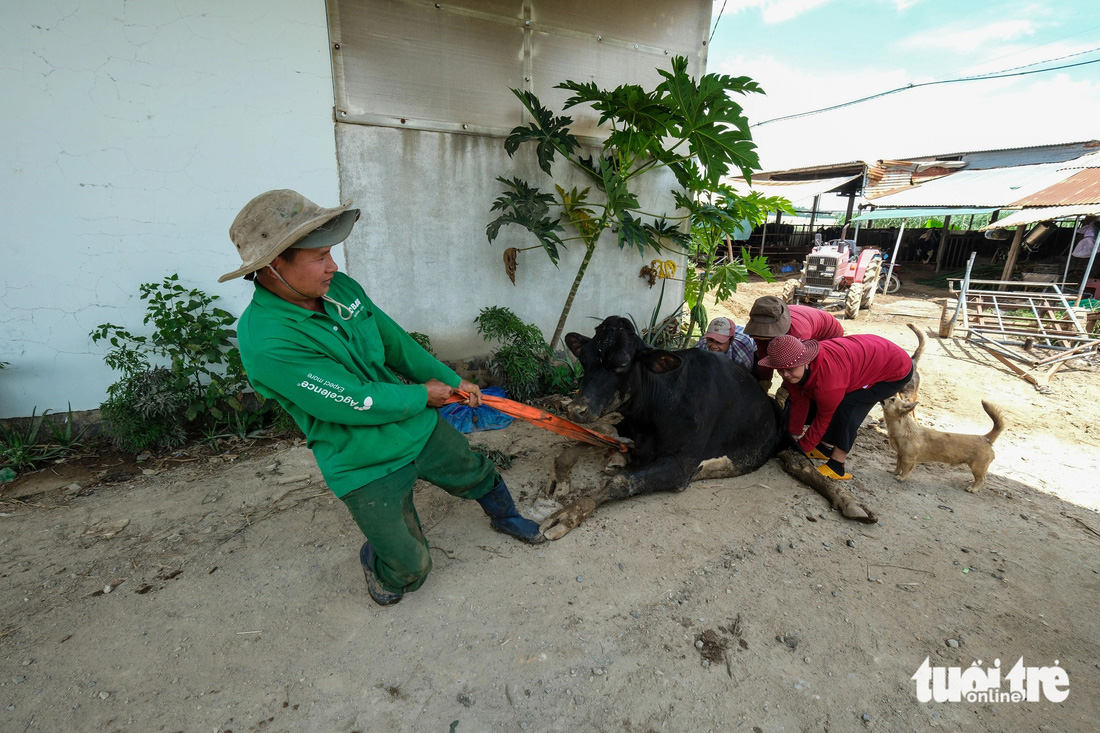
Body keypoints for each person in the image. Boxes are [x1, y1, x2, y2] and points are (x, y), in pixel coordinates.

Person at [220, 189, 544, 607]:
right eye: (319, 257)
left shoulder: (341, 289)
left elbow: (395, 344)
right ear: (273, 265)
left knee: (474, 470)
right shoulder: (265, 340)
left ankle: (505, 517)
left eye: (331, 253)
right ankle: (379, 558)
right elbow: (349, 401)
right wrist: (424, 396)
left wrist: (451, 381)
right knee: (411, 570)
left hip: (415, 426)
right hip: (362, 459)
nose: (332, 266)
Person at [757, 333, 914, 480]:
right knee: (836, 401)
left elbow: (824, 418)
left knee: (849, 407)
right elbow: (799, 401)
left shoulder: (829, 382)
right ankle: (825, 449)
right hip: (868, 356)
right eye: (780, 370)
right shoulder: (793, 372)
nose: (785, 375)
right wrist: (793, 435)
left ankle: (837, 465)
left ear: (805, 361)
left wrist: (802, 447)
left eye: (790, 370)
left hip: (894, 369)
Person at [743, 296, 844, 392]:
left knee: (814, 375)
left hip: (829, 335)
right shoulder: (759, 329)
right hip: (807, 324)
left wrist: (784, 390)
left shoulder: (798, 332)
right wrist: (764, 383)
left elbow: (795, 366)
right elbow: (764, 355)